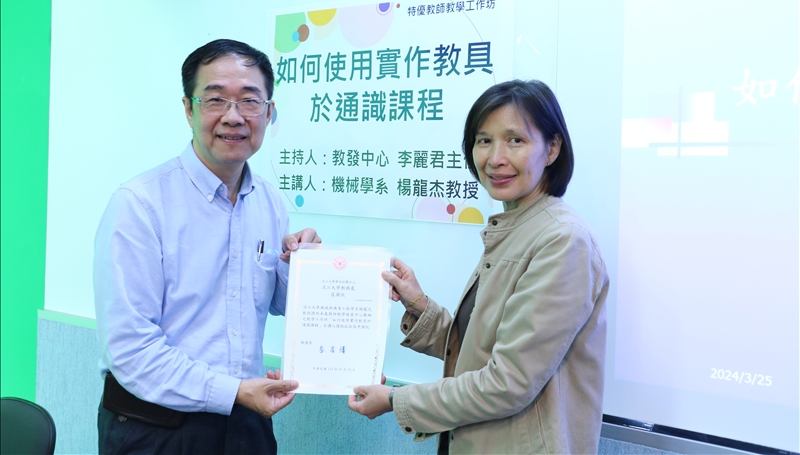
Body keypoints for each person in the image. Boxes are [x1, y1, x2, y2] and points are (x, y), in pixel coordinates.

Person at [348, 80, 610, 455]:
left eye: (515, 140)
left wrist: (395, 399)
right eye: (484, 140)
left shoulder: (562, 240)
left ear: (552, 149)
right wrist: (419, 304)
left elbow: (508, 382)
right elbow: (480, 351)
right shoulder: (516, 227)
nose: (495, 158)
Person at [94, 39, 320, 455]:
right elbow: (130, 349)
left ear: (269, 112)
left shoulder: (269, 201)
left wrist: (302, 266)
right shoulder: (139, 204)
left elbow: (277, 302)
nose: (234, 117)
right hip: (155, 428)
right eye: (215, 99)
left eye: (249, 101)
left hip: (247, 420)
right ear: (188, 108)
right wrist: (233, 391)